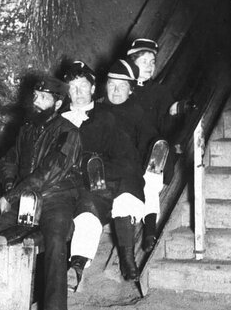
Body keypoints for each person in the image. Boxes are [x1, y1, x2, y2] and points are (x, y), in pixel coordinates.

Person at [0, 75, 82, 310]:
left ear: (58, 103)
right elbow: (8, 160)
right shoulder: (27, 129)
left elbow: (47, 173)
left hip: (56, 199)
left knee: (55, 242)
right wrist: (10, 185)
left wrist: (10, 197)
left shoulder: (68, 134)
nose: (37, 101)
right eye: (35, 96)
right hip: (23, 196)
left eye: (44, 98)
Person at [57, 60, 143, 289]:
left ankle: (116, 260)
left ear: (93, 88)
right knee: (80, 209)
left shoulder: (106, 117)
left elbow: (125, 155)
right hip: (68, 183)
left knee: (104, 202)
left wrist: (103, 172)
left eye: (83, 86)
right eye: (72, 88)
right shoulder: (58, 119)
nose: (78, 93)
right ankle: (70, 267)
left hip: (101, 178)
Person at [126, 38, 196, 248]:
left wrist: (176, 109)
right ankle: (145, 229)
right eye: (144, 61)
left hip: (150, 152)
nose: (149, 66)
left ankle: (149, 232)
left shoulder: (159, 91)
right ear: (131, 63)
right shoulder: (119, 89)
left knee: (150, 179)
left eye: (152, 61)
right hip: (126, 152)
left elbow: (167, 119)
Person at [97, 58, 156, 280]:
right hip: (100, 168)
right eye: (112, 84)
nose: (116, 90)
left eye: (122, 86)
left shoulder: (137, 112)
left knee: (126, 198)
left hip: (127, 169)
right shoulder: (97, 110)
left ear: (131, 90)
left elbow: (150, 140)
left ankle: (127, 258)